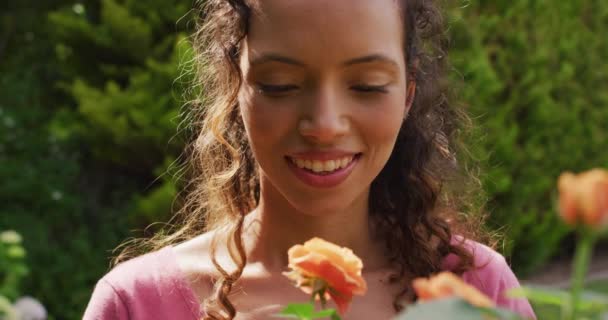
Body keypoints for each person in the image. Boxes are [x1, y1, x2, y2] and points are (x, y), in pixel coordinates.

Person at [83, 0, 536, 319]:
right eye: (279, 85)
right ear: (234, 90)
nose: (324, 125)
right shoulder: (138, 304)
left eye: (366, 86)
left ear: (407, 96)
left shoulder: (473, 292)